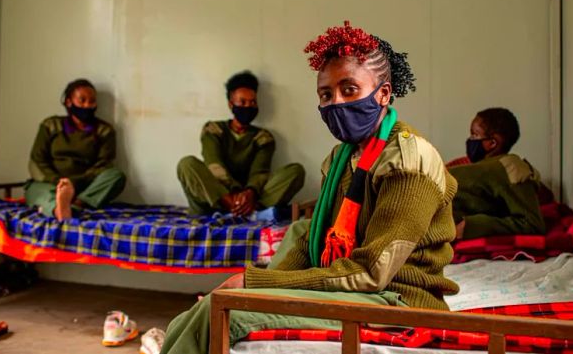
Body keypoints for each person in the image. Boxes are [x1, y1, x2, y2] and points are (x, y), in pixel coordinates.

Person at [161, 22, 459, 354]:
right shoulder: (342, 158)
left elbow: (371, 272)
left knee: (226, 317)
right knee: (197, 314)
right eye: (325, 94)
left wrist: (255, 282)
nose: (336, 103)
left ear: (383, 94)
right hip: (355, 292)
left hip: (395, 302)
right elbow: (310, 238)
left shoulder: (408, 160)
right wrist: (256, 289)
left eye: (349, 90)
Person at [176, 71, 305, 216]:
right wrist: (234, 195)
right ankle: (242, 210)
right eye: (242, 102)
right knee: (186, 164)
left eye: (253, 102)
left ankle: (246, 210)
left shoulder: (263, 138)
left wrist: (250, 193)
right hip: (214, 200)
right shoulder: (213, 130)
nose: (248, 106)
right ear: (231, 104)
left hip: (250, 199)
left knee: (296, 171)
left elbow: (259, 173)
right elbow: (214, 165)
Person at [25, 79, 126, 220]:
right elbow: (37, 160)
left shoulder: (104, 130)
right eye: (82, 100)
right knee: (37, 191)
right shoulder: (50, 125)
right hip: (51, 185)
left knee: (116, 176)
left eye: (92, 101)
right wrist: (58, 181)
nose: (87, 105)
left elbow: (103, 164)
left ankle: (76, 205)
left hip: (84, 187)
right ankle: (58, 208)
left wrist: (75, 182)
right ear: (68, 102)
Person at [449, 107, 546, 240]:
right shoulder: (480, 165)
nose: (470, 140)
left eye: (475, 135)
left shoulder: (511, 166)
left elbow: (532, 224)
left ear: (493, 143)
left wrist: (474, 225)